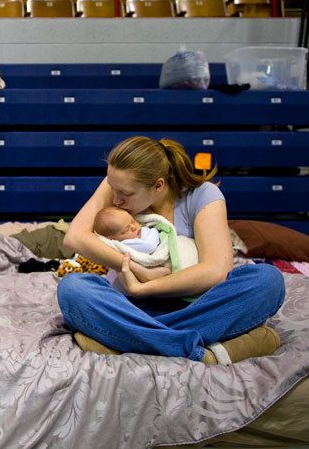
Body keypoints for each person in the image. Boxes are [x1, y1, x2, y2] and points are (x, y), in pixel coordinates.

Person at [57, 136, 284, 364]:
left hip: (194, 306)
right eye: (113, 189)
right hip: (132, 308)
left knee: (268, 281)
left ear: (158, 185)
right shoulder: (118, 181)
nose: (115, 200)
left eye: (125, 195)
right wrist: (139, 271)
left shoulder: (202, 195)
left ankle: (125, 339)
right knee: (72, 288)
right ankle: (200, 351)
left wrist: (144, 288)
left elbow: (216, 270)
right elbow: (74, 237)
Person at [94, 206, 161, 254]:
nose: (133, 227)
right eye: (126, 230)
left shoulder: (136, 234)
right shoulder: (125, 245)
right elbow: (150, 246)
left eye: (133, 221)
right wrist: (154, 230)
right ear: (113, 239)